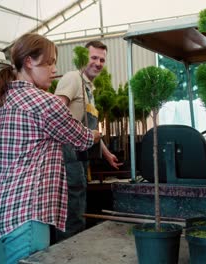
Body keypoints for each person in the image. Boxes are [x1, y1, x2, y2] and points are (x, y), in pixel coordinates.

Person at [0, 33, 101, 264]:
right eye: (49, 63)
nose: (54, 69)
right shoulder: (44, 103)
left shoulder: (1, 100)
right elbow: (80, 139)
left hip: (2, 206)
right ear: (29, 62)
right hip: (29, 212)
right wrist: (96, 135)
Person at [54, 40, 123, 241]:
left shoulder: (89, 88)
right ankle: (67, 249)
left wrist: (106, 152)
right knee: (71, 206)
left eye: (102, 59)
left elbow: (89, 130)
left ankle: (75, 245)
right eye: (94, 58)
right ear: (83, 58)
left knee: (78, 202)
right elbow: (57, 113)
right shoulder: (72, 78)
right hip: (66, 153)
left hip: (80, 155)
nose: (98, 63)